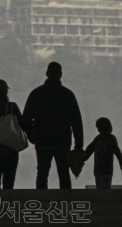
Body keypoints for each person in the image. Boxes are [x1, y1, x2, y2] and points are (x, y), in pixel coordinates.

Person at [20, 61, 83, 189]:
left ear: (47, 74)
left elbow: (26, 119)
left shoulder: (37, 93)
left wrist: (32, 136)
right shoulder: (67, 94)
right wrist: (78, 146)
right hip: (63, 141)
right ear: (60, 74)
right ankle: (66, 200)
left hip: (42, 140)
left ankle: (41, 200)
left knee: (42, 174)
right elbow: (76, 121)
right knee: (64, 174)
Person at [81, 117, 122, 189]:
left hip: (97, 170)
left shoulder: (97, 138)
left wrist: (79, 159)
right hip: (107, 170)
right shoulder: (111, 138)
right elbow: (117, 152)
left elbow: (88, 151)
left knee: (99, 189)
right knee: (105, 189)